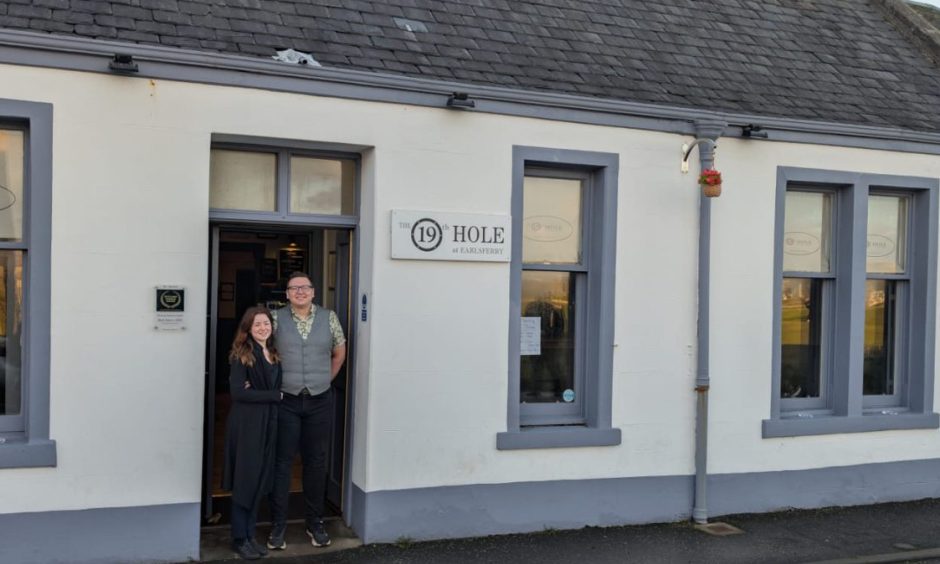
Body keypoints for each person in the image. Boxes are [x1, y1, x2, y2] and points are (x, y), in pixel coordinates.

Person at [267, 272, 346, 550]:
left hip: (319, 400)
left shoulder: (329, 317)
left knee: (315, 462)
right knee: (282, 463)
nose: (300, 291)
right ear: (286, 294)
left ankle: (315, 523)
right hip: (285, 400)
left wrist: (325, 380)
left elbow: (339, 352)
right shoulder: (275, 319)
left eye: (305, 287)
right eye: (293, 288)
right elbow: (263, 352)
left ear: (314, 292)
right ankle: (278, 526)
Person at [222, 307, 283, 561]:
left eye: (266, 323)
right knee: (245, 479)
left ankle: (250, 535)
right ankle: (239, 539)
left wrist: (258, 392)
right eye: (257, 324)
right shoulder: (242, 354)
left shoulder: (273, 353)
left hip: (267, 421)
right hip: (247, 424)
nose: (262, 328)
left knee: (259, 479)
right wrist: (273, 396)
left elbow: (254, 390)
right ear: (248, 328)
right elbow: (238, 393)